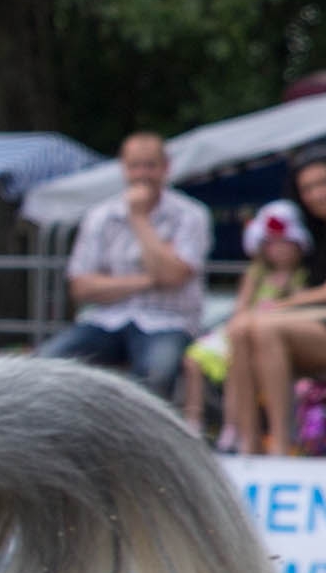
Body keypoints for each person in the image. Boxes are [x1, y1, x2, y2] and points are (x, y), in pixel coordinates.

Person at [220, 151, 326, 453]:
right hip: (306, 324)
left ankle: (281, 444)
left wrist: (276, 308)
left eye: (324, 183)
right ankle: (248, 442)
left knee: (263, 328)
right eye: (308, 188)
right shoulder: (308, 231)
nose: (317, 194)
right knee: (239, 329)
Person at [42, 131, 211, 400]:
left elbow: (174, 276)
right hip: (106, 321)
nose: (142, 174)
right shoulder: (100, 216)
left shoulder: (191, 215)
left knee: (155, 375)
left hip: (169, 322)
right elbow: (81, 287)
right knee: (46, 363)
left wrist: (139, 219)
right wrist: (151, 278)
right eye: (135, 166)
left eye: (150, 165)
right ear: (124, 168)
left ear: (166, 167)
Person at [194, 205, 312, 450]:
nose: (278, 249)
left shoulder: (301, 276)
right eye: (272, 244)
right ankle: (205, 423)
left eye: (284, 243)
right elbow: (241, 309)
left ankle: (258, 432)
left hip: (271, 340)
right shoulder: (256, 273)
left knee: (243, 361)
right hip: (242, 335)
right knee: (198, 359)